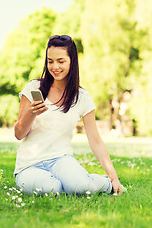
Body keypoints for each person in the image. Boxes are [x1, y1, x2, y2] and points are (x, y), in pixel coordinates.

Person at [14, 35, 124, 196]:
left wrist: (113, 178)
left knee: (80, 187)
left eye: (61, 61)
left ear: (72, 61)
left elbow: (95, 141)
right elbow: (18, 134)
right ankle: (64, 182)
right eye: (50, 61)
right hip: (29, 165)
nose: (54, 67)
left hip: (61, 160)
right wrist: (31, 113)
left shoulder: (82, 97)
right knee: (52, 189)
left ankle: (104, 184)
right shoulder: (33, 88)